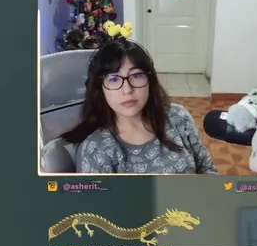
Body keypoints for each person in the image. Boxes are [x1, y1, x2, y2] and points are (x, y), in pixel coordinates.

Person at [64, 39, 218, 174]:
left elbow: (207, 170)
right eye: (114, 79)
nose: (127, 90)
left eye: (136, 75)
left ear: (150, 80)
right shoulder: (96, 149)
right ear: (100, 88)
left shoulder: (178, 117)